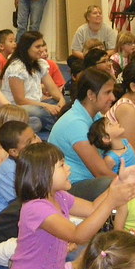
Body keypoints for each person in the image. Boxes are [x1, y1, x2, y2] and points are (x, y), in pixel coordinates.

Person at [10, 142, 135, 269]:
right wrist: (112, 200)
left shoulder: (59, 196)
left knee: (99, 259)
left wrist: (117, 184)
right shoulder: (35, 207)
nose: (68, 168)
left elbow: (93, 208)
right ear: (43, 173)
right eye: (62, 165)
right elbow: (79, 235)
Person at [48, 68, 119, 200]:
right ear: (91, 95)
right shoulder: (75, 123)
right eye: (107, 92)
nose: (113, 97)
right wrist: (134, 184)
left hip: (88, 180)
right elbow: (100, 172)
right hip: (68, 188)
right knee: (111, 184)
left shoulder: (95, 116)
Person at [1, 31, 65, 134]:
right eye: (37, 47)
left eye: (42, 46)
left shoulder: (39, 63)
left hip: (37, 102)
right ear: (27, 48)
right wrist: (46, 106)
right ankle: (61, 129)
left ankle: (52, 124)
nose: (41, 50)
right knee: (40, 112)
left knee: (66, 100)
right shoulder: (16, 67)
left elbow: (53, 89)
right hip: (17, 107)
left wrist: (61, 100)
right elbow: (20, 100)